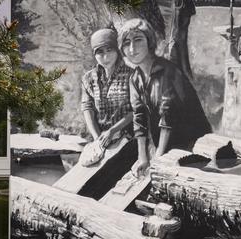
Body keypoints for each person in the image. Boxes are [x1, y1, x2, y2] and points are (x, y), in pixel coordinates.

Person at [118, 18, 212, 177]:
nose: (132, 48)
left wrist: (159, 156)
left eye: (138, 40)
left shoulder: (168, 71)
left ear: (149, 42)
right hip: (168, 145)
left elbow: (168, 116)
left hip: (193, 144)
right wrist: (143, 157)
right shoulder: (135, 79)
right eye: (126, 43)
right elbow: (139, 118)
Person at [80, 28, 134, 166]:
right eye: (100, 52)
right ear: (94, 54)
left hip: (128, 136)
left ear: (117, 50)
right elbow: (88, 108)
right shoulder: (88, 78)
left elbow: (137, 109)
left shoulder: (132, 75)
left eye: (109, 50)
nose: (105, 57)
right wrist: (97, 138)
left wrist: (113, 131)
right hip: (100, 137)